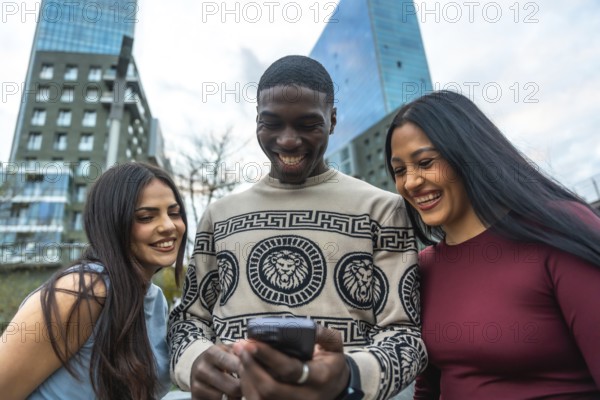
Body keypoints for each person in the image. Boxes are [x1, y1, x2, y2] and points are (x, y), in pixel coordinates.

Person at [168, 55, 426, 400]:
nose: (288, 141)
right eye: (271, 123)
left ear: (332, 120)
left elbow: (405, 336)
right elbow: (189, 319)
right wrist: (193, 361)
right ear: (256, 120)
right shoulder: (218, 216)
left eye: (308, 124)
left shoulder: (382, 210)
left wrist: (345, 377)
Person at [384, 90, 600, 399]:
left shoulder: (557, 229)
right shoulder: (422, 267)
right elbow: (428, 387)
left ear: (468, 154)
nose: (411, 182)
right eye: (400, 170)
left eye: (425, 162)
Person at [0, 162, 188, 400]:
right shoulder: (80, 293)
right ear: (111, 224)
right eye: (146, 217)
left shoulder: (155, 300)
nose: (169, 226)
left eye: (174, 213)